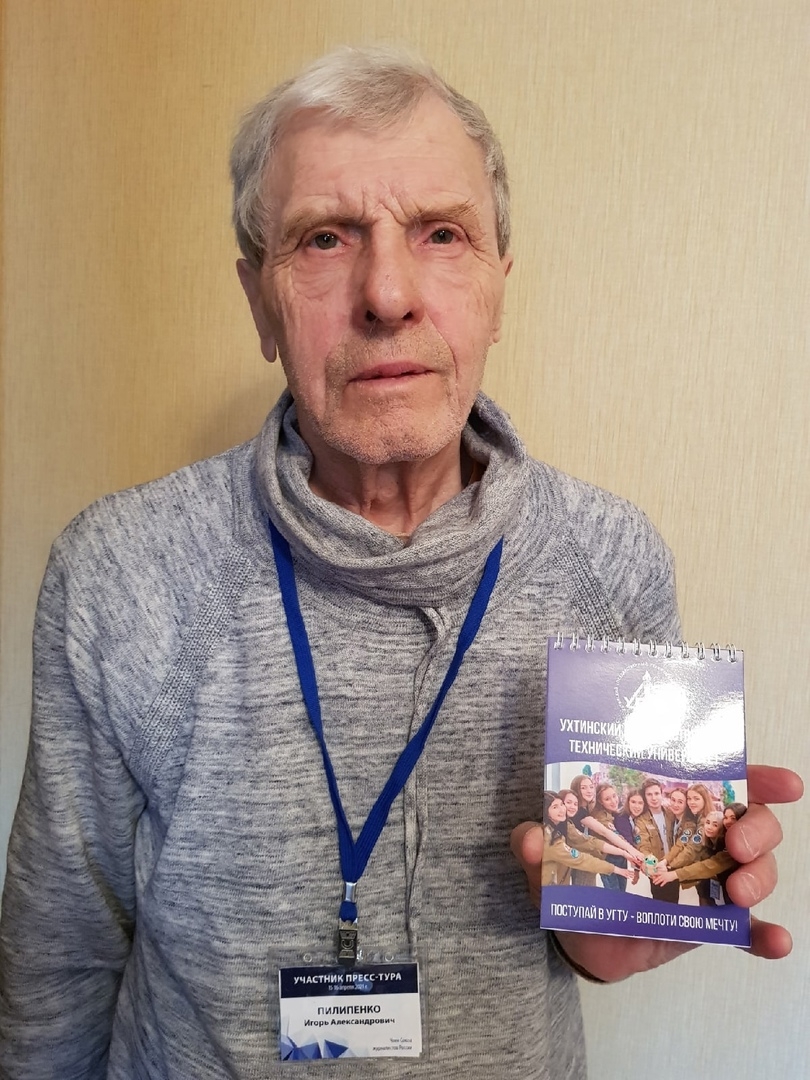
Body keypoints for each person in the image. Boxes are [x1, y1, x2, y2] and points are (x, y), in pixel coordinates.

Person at [0, 43, 800, 1080]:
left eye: (442, 233)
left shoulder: (612, 560)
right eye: (324, 238)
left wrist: (606, 943)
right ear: (259, 302)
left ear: (499, 286)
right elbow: (57, 957)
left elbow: (613, 914)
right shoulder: (120, 573)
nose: (387, 293)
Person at [542, 793, 635, 887]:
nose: (562, 809)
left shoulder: (565, 825)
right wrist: (615, 869)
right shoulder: (548, 838)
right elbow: (580, 859)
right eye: (555, 807)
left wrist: (623, 853)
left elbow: (588, 841)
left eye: (561, 804)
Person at [633, 778, 680, 902]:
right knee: (660, 904)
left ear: (661, 794)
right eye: (649, 794)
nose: (654, 798)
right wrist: (653, 868)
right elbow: (643, 846)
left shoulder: (671, 814)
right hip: (656, 870)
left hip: (673, 867)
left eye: (656, 793)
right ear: (644, 797)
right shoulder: (641, 820)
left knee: (674, 904)